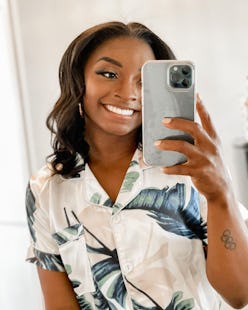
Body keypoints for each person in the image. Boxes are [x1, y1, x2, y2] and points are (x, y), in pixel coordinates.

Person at [25, 21, 248, 310]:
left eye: (144, 80)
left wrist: (221, 195)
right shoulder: (46, 191)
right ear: (77, 81)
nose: (128, 92)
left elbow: (239, 293)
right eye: (108, 73)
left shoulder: (193, 170)